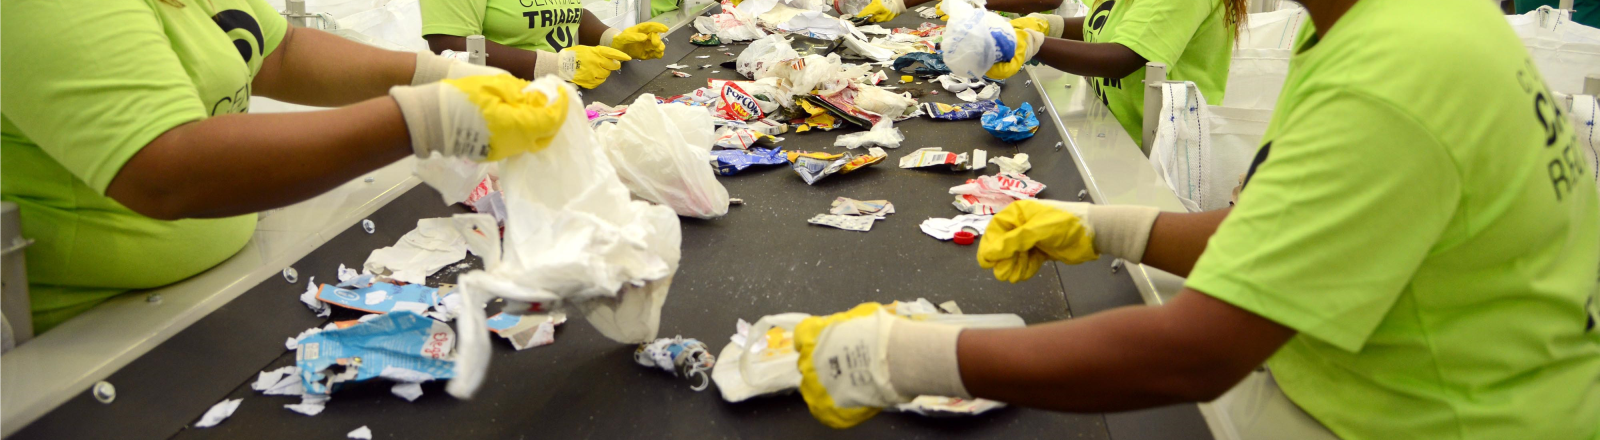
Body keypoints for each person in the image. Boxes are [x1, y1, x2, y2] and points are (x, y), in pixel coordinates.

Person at [789, 0, 1600, 437]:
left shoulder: (1390, 74)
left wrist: (897, 356)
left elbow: (1197, 354)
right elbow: (1295, 235)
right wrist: (1107, 229)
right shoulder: (1409, 22)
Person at [0, 0, 574, 332]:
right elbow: (166, 168)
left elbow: (278, 51)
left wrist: (437, 74)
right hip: (98, 343)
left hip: (222, 297)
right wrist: (420, 120)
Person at [979, 0, 1239, 146]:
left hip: (1154, 154)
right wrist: (1051, 26)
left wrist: (1034, 44)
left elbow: (1124, 57)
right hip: (1109, 133)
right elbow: (1109, 26)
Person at [420, 0, 670, 89]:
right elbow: (449, 44)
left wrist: (613, 40)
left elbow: (567, 13)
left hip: (569, 102)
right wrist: (554, 65)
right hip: (506, 112)